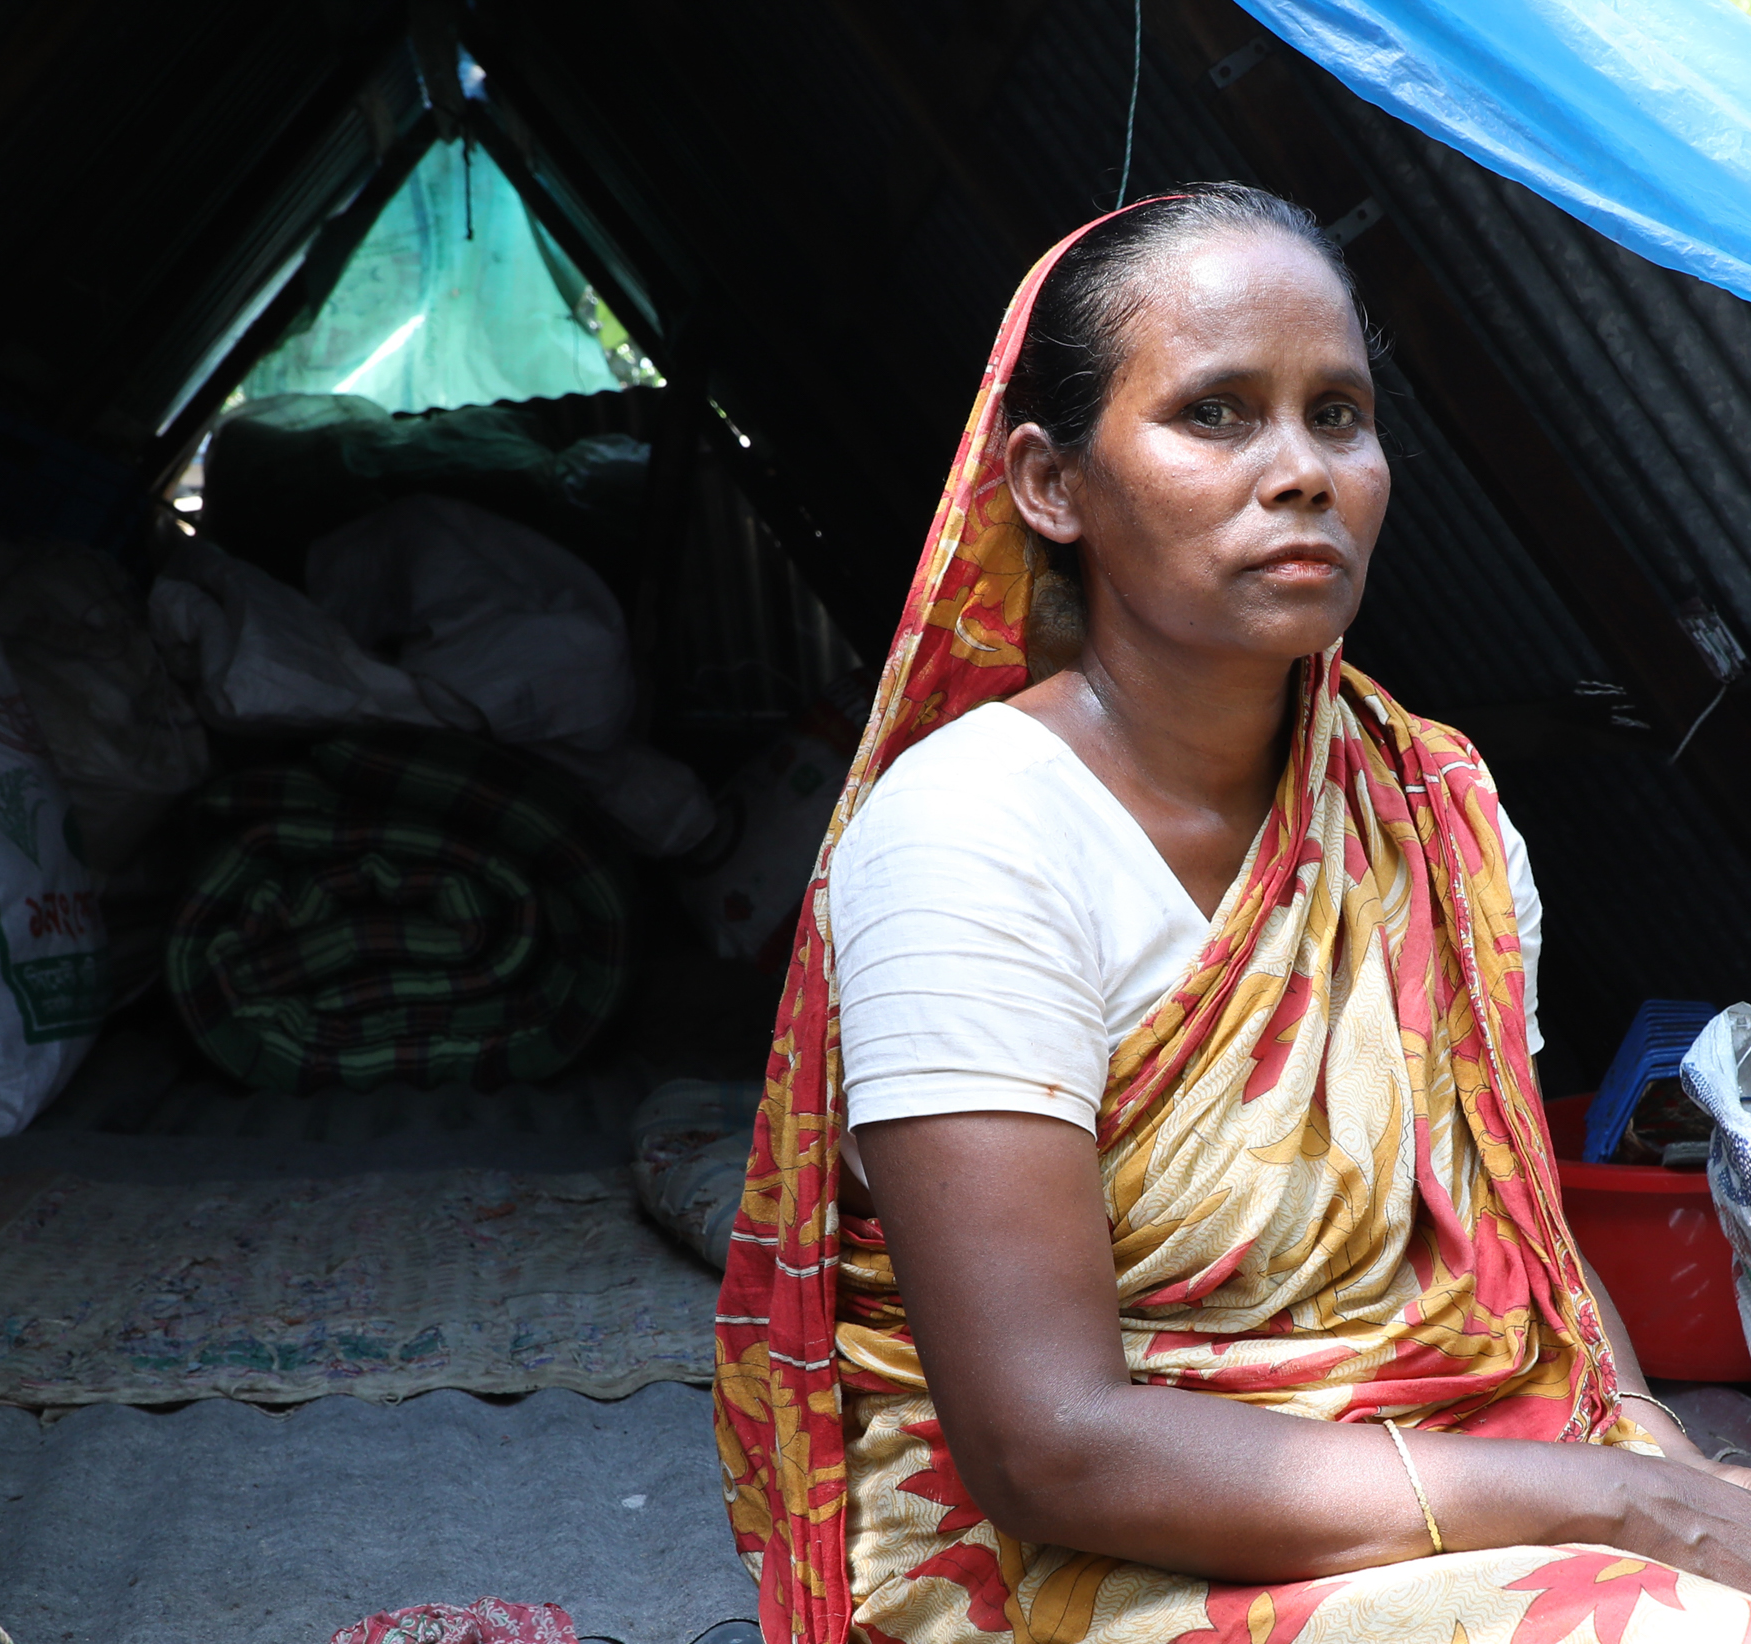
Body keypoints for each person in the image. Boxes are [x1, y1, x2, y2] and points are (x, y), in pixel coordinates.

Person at [712, 184, 1751, 1644]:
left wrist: (1654, 1448)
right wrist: (1620, 1511)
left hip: (1473, 1471)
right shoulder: (974, 837)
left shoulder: (1430, 808)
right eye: (1216, 415)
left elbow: (1519, 1228)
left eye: (1338, 415)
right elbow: (1050, 1447)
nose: (1303, 470)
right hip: (1086, 1552)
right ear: (1049, 485)